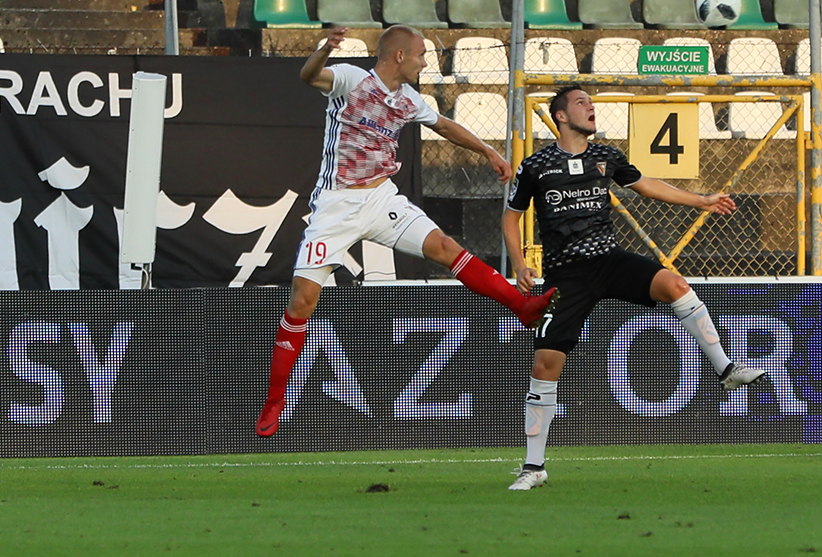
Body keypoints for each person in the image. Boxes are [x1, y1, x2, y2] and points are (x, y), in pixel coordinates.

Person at [256, 25, 559, 438]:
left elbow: (445, 126)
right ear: (399, 55)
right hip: (337, 204)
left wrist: (487, 150)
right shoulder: (351, 79)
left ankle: (521, 306)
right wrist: (324, 49)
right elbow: (309, 76)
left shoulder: (409, 99)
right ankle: (275, 399)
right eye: (420, 55)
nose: (424, 63)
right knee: (302, 299)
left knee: (445, 247)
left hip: (381, 198)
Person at [501, 84, 766, 491]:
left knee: (675, 284)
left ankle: (727, 370)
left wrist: (701, 200)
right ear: (561, 116)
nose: (591, 108)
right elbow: (511, 217)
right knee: (544, 365)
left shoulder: (606, 156)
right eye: (581, 103)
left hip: (609, 261)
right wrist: (519, 264)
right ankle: (534, 467)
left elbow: (646, 184)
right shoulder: (536, 166)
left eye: (591, 102)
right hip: (565, 275)